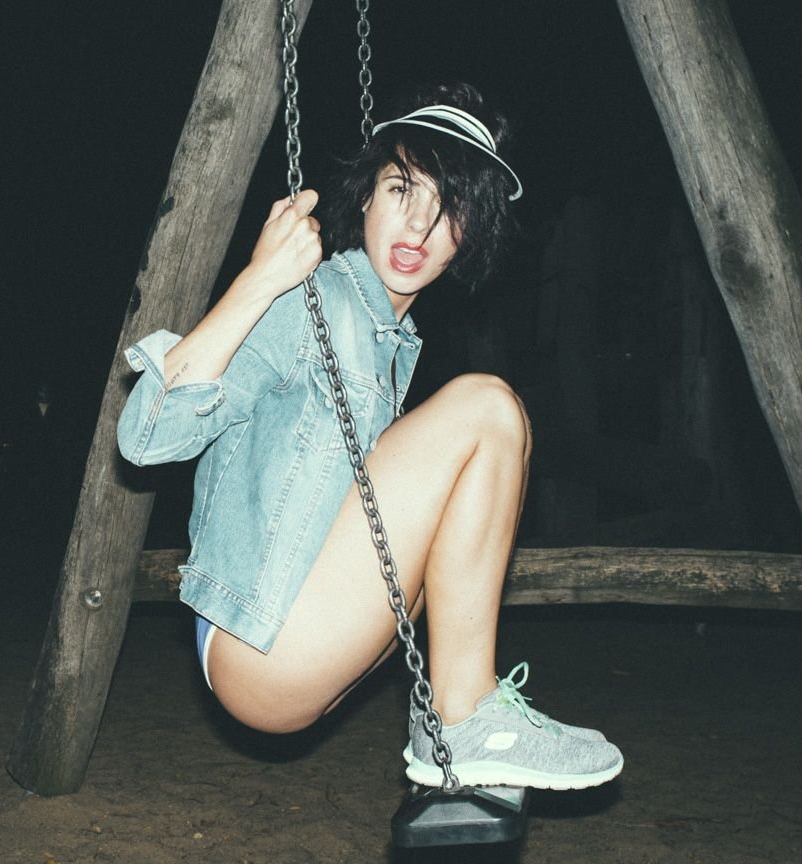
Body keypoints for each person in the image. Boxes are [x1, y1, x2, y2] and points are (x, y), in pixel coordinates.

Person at [116, 83, 622, 791]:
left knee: (497, 446)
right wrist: (261, 279)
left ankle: (453, 713)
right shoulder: (310, 301)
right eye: (400, 188)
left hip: (309, 645)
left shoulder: (391, 345)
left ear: (469, 235)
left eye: (448, 206)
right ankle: (465, 719)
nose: (417, 224)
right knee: (487, 407)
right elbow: (145, 437)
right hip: (255, 642)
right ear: (364, 200)